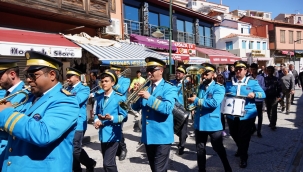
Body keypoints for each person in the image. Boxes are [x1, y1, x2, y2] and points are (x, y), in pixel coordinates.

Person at [0, 51, 79, 171]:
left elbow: (43, 134)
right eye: (26, 75)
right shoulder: (27, 97)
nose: (27, 79)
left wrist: (5, 113)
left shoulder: (66, 101)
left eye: (33, 75)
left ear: (52, 75)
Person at [132, 57, 177, 172]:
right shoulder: (146, 87)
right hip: (148, 136)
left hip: (162, 136)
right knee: (155, 169)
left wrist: (149, 97)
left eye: (152, 69)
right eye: (148, 69)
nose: (148, 73)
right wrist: (135, 94)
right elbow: (135, 107)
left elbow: (167, 108)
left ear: (161, 71)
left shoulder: (169, 87)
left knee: (159, 170)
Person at [188, 63, 232, 172]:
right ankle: (201, 170)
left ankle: (227, 167)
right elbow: (194, 101)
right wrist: (190, 105)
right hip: (200, 122)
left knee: (218, 148)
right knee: (200, 150)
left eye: (206, 74)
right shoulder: (200, 87)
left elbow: (213, 103)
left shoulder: (219, 87)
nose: (204, 76)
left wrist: (197, 101)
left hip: (213, 123)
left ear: (213, 75)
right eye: (202, 74)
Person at [225, 61, 266, 168]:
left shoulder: (252, 82)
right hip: (231, 114)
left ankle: (244, 157)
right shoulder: (229, 82)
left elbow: (263, 94)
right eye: (236, 69)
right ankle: (241, 148)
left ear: (245, 71)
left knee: (244, 136)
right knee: (233, 133)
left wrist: (255, 94)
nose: (238, 71)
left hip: (246, 114)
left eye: (240, 69)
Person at [93, 69, 127, 172]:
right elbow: (96, 113)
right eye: (102, 81)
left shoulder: (120, 98)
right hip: (103, 134)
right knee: (108, 163)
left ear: (113, 83)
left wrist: (112, 118)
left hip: (114, 134)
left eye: (106, 81)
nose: (103, 83)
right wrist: (96, 121)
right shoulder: (99, 97)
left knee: (108, 163)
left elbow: (124, 117)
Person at [65, 67, 96, 172]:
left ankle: (90, 163)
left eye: (69, 76)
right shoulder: (68, 89)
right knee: (70, 148)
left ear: (77, 78)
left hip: (79, 123)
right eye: (67, 77)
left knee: (75, 148)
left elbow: (76, 101)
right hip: (68, 123)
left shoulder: (84, 88)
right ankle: (76, 169)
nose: (67, 79)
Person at [0, 60, 29, 171]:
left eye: (0, 75)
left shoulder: (25, 94)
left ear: (12, 74)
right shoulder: (6, 93)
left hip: (9, 148)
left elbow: (21, 121)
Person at [110, 65, 130, 161]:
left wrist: (113, 82)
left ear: (118, 71)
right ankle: (115, 148)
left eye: (114, 71)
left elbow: (122, 90)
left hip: (120, 105)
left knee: (118, 128)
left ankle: (123, 148)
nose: (113, 72)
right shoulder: (109, 79)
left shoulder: (126, 80)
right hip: (110, 104)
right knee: (111, 127)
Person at [170, 65, 189, 155]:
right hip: (172, 108)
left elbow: (191, 95)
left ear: (184, 75)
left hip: (183, 109)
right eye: (176, 73)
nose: (177, 74)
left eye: (179, 73)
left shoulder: (187, 83)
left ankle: (181, 146)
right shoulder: (171, 82)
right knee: (173, 126)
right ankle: (183, 137)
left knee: (182, 128)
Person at [250, 63, 266, 138]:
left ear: (257, 69)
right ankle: (253, 128)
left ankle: (259, 131)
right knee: (251, 116)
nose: (253, 71)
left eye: (254, 69)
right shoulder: (248, 78)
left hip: (259, 99)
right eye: (252, 69)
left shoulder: (261, 78)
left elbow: (263, 87)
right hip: (251, 100)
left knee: (260, 116)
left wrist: (256, 92)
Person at [264, 66, 282, 130]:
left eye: (271, 70)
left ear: (273, 71)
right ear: (267, 71)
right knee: (268, 111)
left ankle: (273, 124)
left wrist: (280, 96)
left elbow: (280, 88)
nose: (270, 71)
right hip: (267, 97)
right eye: (268, 70)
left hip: (274, 97)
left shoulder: (276, 79)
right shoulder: (264, 79)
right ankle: (271, 122)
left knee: (274, 111)